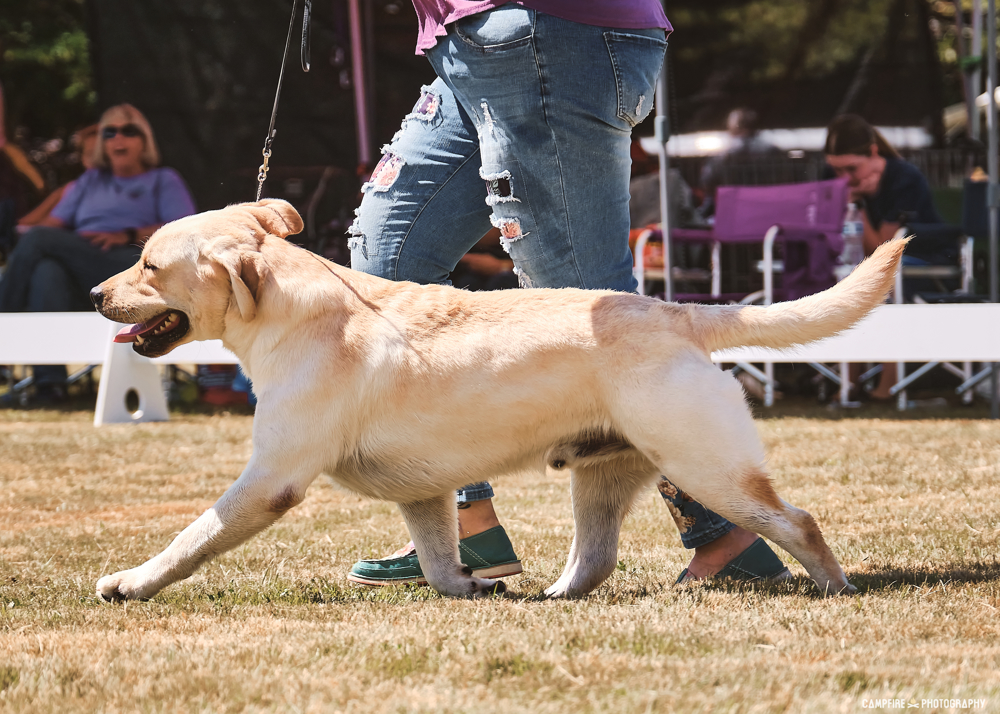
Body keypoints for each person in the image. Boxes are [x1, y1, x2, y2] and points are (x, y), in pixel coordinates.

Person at [346, 2, 790, 588]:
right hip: (470, 49)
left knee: (593, 316)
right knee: (388, 264)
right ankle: (467, 525)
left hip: (544, 37)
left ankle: (725, 532)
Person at [0, 103, 195, 404]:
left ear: (144, 140)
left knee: (40, 242)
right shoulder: (88, 182)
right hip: (83, 268)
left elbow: (184, 230)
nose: (119, 138)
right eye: (110, 132)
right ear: (103, 143)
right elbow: (51, 227)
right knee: (46, 271)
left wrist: (128, 234)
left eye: (129, 131)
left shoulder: (163, 179)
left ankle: (4, 327)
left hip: (133, 266)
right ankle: (49, 386)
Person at [824, 113, 942, 400]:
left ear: (873, 153)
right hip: (864, 266)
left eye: (852, 168)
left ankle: (886, 387)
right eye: (837, 171)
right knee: (844, 282)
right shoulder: (841, 179)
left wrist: (857, 206)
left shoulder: (904, 179)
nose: (844, 178)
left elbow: (881, 249)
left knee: (882, 281)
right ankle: (849, 384)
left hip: (919, 264)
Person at [16, 124, 99, 229]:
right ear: (82, 159)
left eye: (101, 155)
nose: (97, 161)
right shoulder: (74, 187)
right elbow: (26, 223)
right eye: (90, 155)